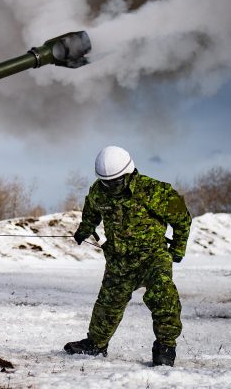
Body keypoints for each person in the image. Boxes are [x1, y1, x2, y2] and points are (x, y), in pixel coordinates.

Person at [63, 145, 191, 367]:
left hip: (153, 258)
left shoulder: (156, 190)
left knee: (164, 297)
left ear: (128, 172)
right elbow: (91, 212)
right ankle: (96, 344)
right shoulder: (97, 191)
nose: (111, 187)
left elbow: (182, 218)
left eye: (115, 182)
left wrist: (178, 249)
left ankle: (165, 347)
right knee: (107, 304)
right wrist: (85, 229)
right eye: (106, 182)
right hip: (119, 261)